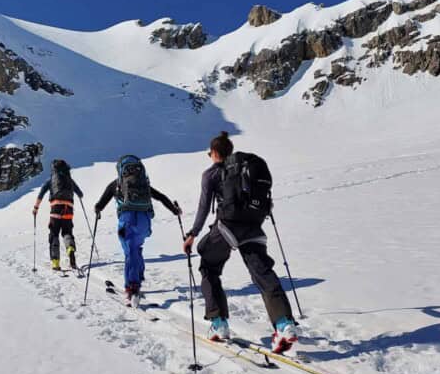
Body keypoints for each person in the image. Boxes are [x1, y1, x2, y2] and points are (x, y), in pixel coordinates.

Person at [183, 132, 298, 353]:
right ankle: (284, 324)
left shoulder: (211, 174)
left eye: (210, 153)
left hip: (227, 227)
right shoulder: (247, 167)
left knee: (209, 265)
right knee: (263, 273)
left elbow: (204, 208)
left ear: (215, 153)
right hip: (253, 226)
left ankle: (219, 324)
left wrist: (193, 234)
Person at [94, 155, 181, 305]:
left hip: (127, 221)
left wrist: (97, 209)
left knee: (130, 251)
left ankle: (132, 287)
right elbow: (160, 197)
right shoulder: (144, 184)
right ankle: (138, 276)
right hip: (144, 222)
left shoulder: (116, 184)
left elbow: (100, 203)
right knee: (136, 247)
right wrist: (174, 210)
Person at [34, 159, 84, 271]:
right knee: (67, 232)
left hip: (55, 209)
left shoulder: (51, 179)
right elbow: (80, 194)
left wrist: (36, 208)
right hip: (68, 210)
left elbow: (41, 193)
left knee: (54, 234)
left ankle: (56, 263)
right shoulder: (69, 180)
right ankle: (70, 248)